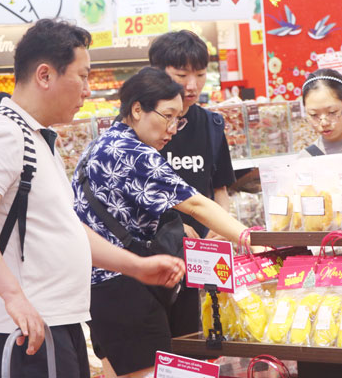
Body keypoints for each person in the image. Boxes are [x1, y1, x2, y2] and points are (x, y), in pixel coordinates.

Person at [0, 19, 184, 378]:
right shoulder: (4, 131)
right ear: (45, 75)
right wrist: (13, 296)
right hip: (31, 328)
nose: (88, 90)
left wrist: (136, 267)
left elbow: (65, 229)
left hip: (57, 320)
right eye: (83, 76)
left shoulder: (38, 138)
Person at [73, 67, 248, 378]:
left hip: (99, 288)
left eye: (177, 119)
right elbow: (195, 204)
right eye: (167, 116)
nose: (172, 128)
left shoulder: (101, 144)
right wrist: (248, 236)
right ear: (137, 109)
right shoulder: (131, 152)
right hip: (124, 290)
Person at [151, 30, 235, 241]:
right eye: (181, 75)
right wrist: (169, 224)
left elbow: (220, 188)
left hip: (203, 246)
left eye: (200, 75)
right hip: (154, 251)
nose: (192, 86)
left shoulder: (212, 124)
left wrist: (221, 224)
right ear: (157, 72)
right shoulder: (140, 127)